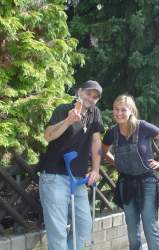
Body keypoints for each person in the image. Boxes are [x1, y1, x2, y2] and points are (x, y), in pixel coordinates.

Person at [39, 80, 104, 250]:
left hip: (78, 178)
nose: (91, 98)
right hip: (54, 177)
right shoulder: (63, 109)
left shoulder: (94, 113)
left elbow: (96, 141)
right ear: (79, 92)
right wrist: (68, 121)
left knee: (84, 224)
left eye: (95, 96)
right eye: (88, 93)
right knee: (58, 232)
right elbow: (47, 136)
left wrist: (96, 169)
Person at [102, 94, 159, 250]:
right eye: (116, 109)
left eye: (123, 110)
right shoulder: (112, 132)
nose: (119, 113)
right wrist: (116, 163)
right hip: (126, 184)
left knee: (149, 226)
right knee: (132, 231)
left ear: (131, 111)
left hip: (148, 182)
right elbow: (104, 151)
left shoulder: (143, 127)